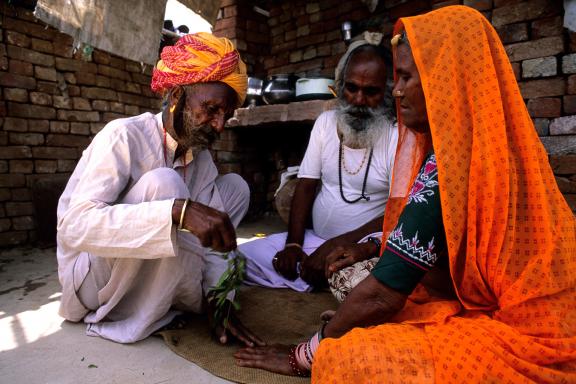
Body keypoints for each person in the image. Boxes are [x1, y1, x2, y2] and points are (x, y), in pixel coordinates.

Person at [234, 6, 576, 382]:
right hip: (510, 305)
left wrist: (306, 354)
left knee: (354, 358)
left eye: (405, 78)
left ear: (443, 80)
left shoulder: (450, 164)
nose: (397, 92)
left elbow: (383, 294)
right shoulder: (477, 146)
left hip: (539, 335)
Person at [56, 32, 263, 346]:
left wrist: (220, 297)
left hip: (146, 275)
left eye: (225, 116)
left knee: (236, 188)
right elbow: (75, 228)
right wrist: (176, 211)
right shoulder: (124, 136)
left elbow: (210, 246)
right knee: (166, 184)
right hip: (91, 284)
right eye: (210, 109)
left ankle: (179, 299)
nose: (219, 125)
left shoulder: (202, 160)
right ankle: (142, 311)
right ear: (178, 95)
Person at [238, 34, 398, 291]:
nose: (358, 100)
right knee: (236, 260)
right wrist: (293, 244)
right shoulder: (325, 123)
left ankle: (326, 277)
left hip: (362, 248)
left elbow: (398, 211)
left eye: (371, 92)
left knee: (375, 279)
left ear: (387, 93)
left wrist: (339, 245)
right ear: (341, 86)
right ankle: (317, 275)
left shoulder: (396, 135)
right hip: (315, 241)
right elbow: (306, 186)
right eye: (352, 87)